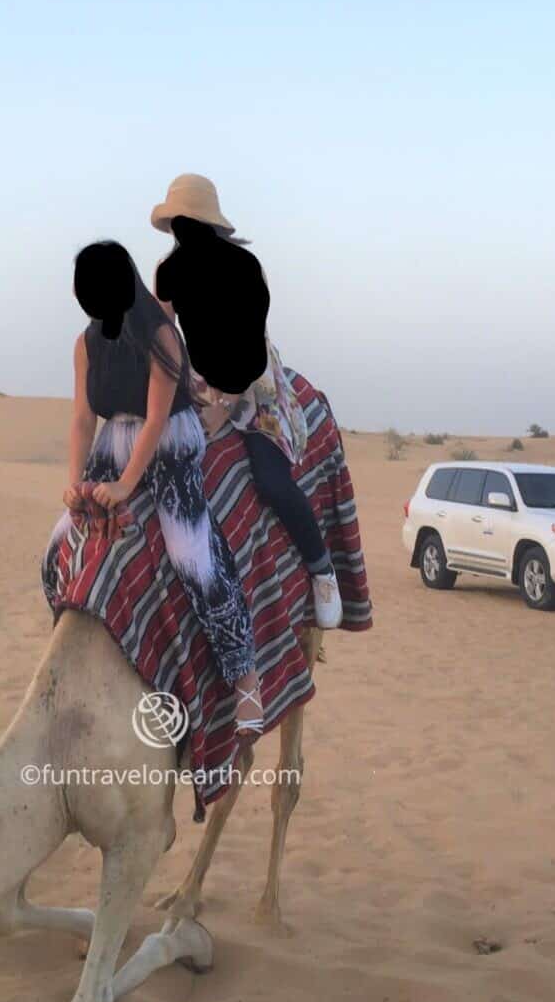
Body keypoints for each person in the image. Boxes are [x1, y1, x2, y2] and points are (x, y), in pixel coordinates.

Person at [48, 240, 264, 736]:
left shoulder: (161, 337)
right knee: (58, 545)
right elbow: (82, 418)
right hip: (113, 439)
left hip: (167, 442)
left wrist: (125, 485)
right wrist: (75, 483)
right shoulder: (85, 344)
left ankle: (244, 678)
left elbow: (157, 419)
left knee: (192, 555)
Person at [151, 173, 343, 628]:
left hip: (253, 387)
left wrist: (226, 406)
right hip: (197, 383)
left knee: (271, 479)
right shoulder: (167, 272)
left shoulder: (243, 266)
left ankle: (321, 570)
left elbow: (248, 342)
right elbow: (163, 340)